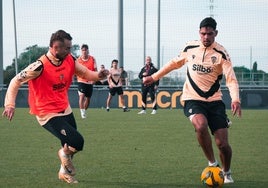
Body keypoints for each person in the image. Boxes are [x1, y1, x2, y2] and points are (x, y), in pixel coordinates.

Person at [143, 17, 241, 184]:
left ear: (215, 33)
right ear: (199, 33)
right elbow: (174, 64)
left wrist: (236, 99)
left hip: (215, 101)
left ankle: (227, 172)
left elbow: (231, 79)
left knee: (222, 144)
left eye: (210, 34)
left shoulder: (221, 53)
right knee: (200, 125)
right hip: (192, 98)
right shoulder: (190, 47)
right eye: (203, 34)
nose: (206, 37)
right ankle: (212, 164)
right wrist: (154, 76)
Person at [2, 30, 108, 184]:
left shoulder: (69, 59)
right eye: (67, 48)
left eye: (70, 48)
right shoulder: (39, 66)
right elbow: (15, 81)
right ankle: (63, 155)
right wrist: (10, 104)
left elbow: (85, 73)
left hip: (65, 108)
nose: (70, 51)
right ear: (55, 47)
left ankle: (63, 172)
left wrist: (99, 75)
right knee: (77, 142)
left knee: (68, 144)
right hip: (47, 113)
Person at [76, 44, 97, 119]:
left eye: (85, 50)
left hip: (90, 81)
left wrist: (95, 78)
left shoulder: (92, 59)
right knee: (81, 96)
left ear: (88, 50)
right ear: (81, 51)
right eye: (83, 50)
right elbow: (76, 70)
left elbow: (95, 70)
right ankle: (82, 112)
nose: (84, 51)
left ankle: (84, 110)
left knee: (88, 99)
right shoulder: (78, 60)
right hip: (81, 81)